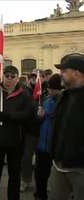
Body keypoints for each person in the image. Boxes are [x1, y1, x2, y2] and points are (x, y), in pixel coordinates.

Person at [0, 65, 32, 200]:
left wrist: (11, 116)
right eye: (7, 76)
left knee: (15, 174)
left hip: (15, 141)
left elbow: (28, 114)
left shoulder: (24, 95)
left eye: (12, 76)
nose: (9, 79)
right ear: (3, 76)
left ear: (17, 79)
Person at [49, 53, 84, 200]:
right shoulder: (64, 96)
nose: (60, 74)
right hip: (58, 164)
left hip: (79, 169)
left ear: (76, 72)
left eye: (64, 71)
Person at [34, 74, 63, 200]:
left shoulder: (64, 102)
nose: (48, 91)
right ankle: (40, 194)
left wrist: (48, 114)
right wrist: (39, 117)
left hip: (56, 145)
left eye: (51, 89)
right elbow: (38, 122)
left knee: (59, 177)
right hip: (42, 145)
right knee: (40, 174)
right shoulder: (46, 101)